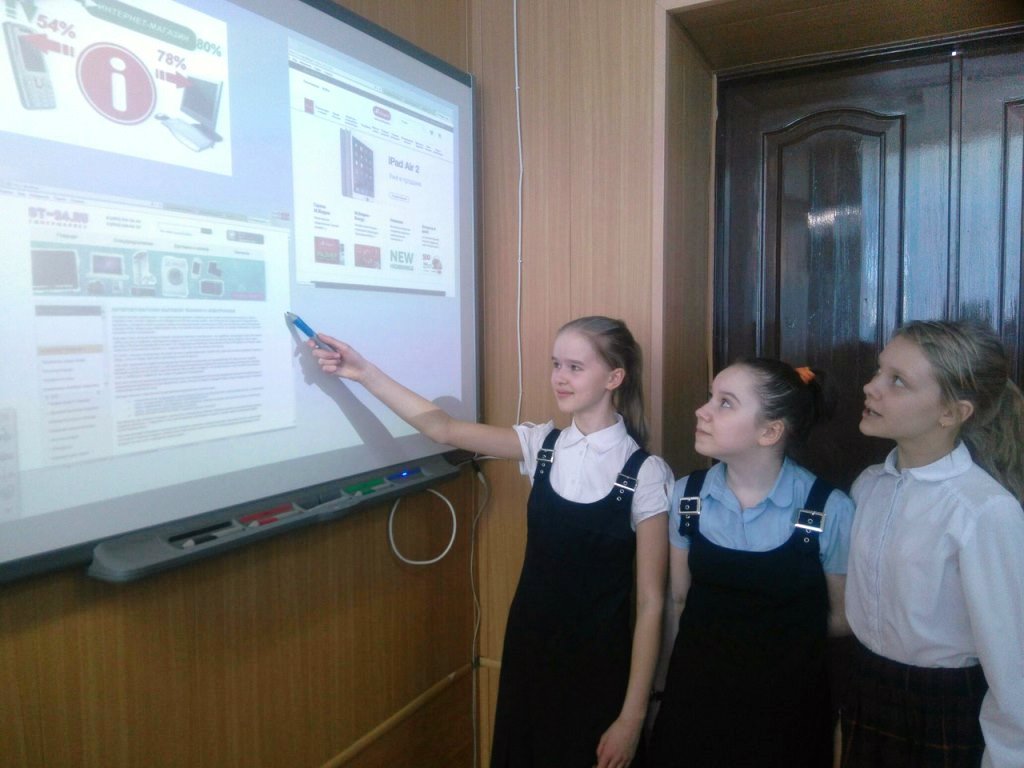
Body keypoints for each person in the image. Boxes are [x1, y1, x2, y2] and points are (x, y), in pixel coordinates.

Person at [307, 316, 672, 768]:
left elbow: (652, 603)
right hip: (528, 654)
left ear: (614, 378)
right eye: (556, 364)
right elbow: (442, 428)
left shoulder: (646, 473)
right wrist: (363, 371)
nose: (560, 377)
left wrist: (632, 718)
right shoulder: (542, 445)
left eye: (575, 367)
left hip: (599, 670)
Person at [648, 358, 855, 768]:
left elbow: (841, 619)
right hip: (695, 708)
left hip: (788, 717)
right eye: (710, 397)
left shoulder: (828, 509)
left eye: (725, 403)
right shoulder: (687, 496)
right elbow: (679, 600)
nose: (702, 411)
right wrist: (659, 694)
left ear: (770, 431)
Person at [841, 319, 1024, 768]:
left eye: (897, 381)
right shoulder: (868, 486)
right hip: (866, 690)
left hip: (943, 710)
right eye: (879, 371)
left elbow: (1012, 663)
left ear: (951, 413)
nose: (871, 387)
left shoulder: (982, 511)